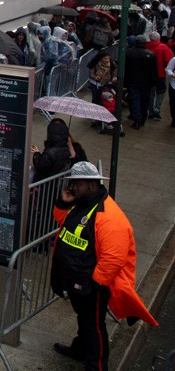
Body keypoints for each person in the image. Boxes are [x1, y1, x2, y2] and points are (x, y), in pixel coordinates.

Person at [50, 162, 156, 368]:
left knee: (94, 326)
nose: (72, 187)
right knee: (86, 320)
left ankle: (97, 365)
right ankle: (81, 349)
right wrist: (64, 203)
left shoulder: (109, 216)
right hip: (78, 279)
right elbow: (63, 222)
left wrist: (95, 284)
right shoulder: (82, 202)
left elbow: (113, 258)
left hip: (91, 284)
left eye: (76, 183)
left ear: (91, 185)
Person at [123, 36, 157, 129]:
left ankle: (137, 119)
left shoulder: (129, 53)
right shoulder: (151, 55)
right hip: (146, 83)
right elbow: (153, 72)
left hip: (133, 82)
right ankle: (142, 119)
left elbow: (125, 68)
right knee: (144, 101)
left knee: (135, 101)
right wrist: (154, 83)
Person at [145, 31, 172, 121]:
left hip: (148, 75)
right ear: (159, 38)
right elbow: (169, 61)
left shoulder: (146, 46)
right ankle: (157, 108)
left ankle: (150, 110)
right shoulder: (163, 47)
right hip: (160, 74)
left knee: (151, 92)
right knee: (160, 91)